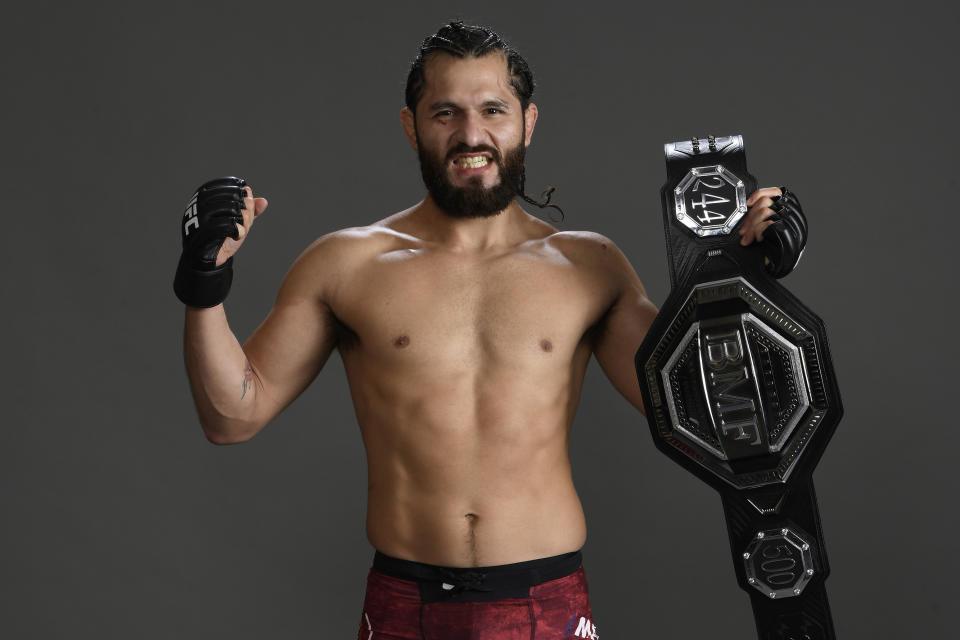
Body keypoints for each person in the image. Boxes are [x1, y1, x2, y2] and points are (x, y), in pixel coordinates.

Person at [174, 21, 802, 640]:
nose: (471, 134)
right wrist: (205, 282)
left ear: (527, 122)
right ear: (410, 125)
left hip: (546, 601)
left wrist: (752, 286)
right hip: (403, 603)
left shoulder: (589, 266)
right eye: (445, 112)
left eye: (493, 109)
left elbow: (714, 422)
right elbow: (233, 416)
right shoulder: (345, 264)